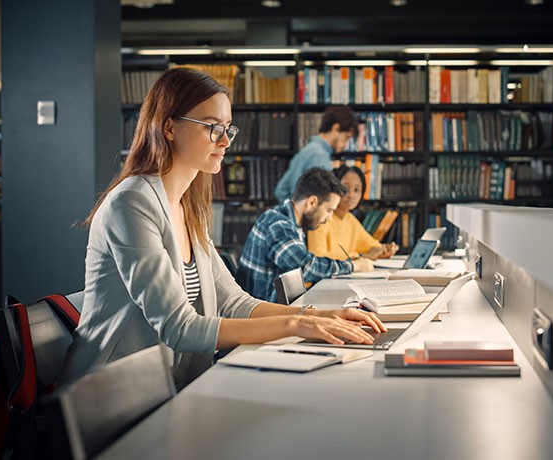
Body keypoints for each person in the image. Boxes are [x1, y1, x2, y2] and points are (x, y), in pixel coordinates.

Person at [61, 68, 384, 389]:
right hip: (107, 399)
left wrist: (317, 316)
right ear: (169, 127)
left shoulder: (188, 206)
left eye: (228, 128)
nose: (226, 140)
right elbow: (179, 327)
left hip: (166, 387)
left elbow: (234, 303)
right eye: (213, 128)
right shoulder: (131, 203)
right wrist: (296, 324)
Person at [238, 167, 375, 302]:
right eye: (328, 210)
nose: (329, 218)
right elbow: (305, 267)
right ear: (312, 202)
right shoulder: (277, 224)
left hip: (280, 310)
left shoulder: (294, 224)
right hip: (263, 316)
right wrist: (353, 266)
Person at [307, 165, 399, 260]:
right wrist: (360, 257)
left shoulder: (350, 220)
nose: (351, 195)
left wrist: (384, 250)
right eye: (345, 189)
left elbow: (372, 246)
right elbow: (317, 257)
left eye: (356, 190)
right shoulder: (321, 218)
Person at [274, 106, 356, 201]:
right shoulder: (319, 155)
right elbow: (322, 201)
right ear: (336, 128)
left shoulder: (309, 150)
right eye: (346, 137)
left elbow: (281, 190)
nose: (345, 145)